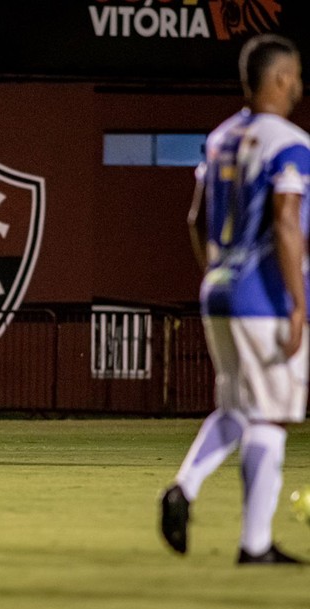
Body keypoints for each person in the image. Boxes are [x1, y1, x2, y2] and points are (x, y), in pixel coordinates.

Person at [159, 34, 309, 565]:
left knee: (237, 408)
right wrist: (297, 303)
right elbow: (287, 221)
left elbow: (195, 219)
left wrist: (219, 273)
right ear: (279, 78)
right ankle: (254, 544)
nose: (296, 84)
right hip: (264, 296)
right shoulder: (289, 142)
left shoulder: (221, 137)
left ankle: (184, 487)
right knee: (270, 417)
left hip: (219, 289)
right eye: (292, 74)